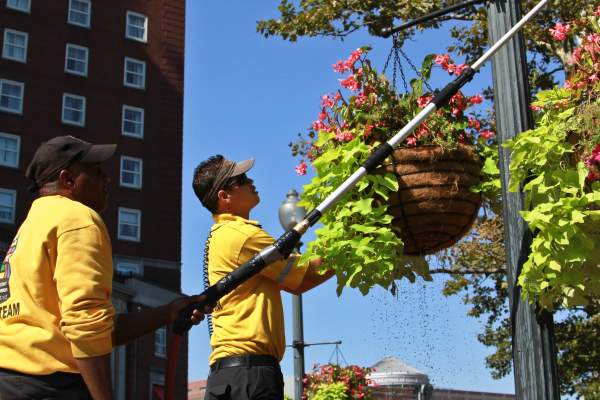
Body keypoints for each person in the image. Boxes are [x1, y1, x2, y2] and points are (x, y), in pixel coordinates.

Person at [0, 135, 208, 400]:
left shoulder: (32, 226)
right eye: (96, 171)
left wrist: (167, 313)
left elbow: (97, 328)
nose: (106, 179)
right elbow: (85, 322)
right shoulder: (77, 218)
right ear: (68, 180)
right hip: (52, 387)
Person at [192, 155, 335, 400]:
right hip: (250, 377)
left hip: (227, 377)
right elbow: (304, 278)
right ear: (224, 197)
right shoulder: (243, 235)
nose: (251, 181)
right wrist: (351, 243)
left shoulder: (221, 233)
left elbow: (294, 282)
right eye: (242, 179)